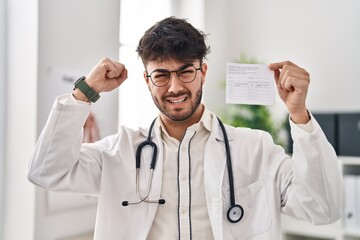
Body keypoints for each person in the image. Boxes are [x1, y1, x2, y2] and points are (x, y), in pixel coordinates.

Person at [27, 16, 342, 240]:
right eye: (161, 75)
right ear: (147, 81)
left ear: (203, 71)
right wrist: (83, 93)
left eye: (186, 72)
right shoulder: (120, 151)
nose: (174, 86)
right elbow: (46, 171)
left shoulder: (255, 148)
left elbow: (323, 209)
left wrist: (299, 115)